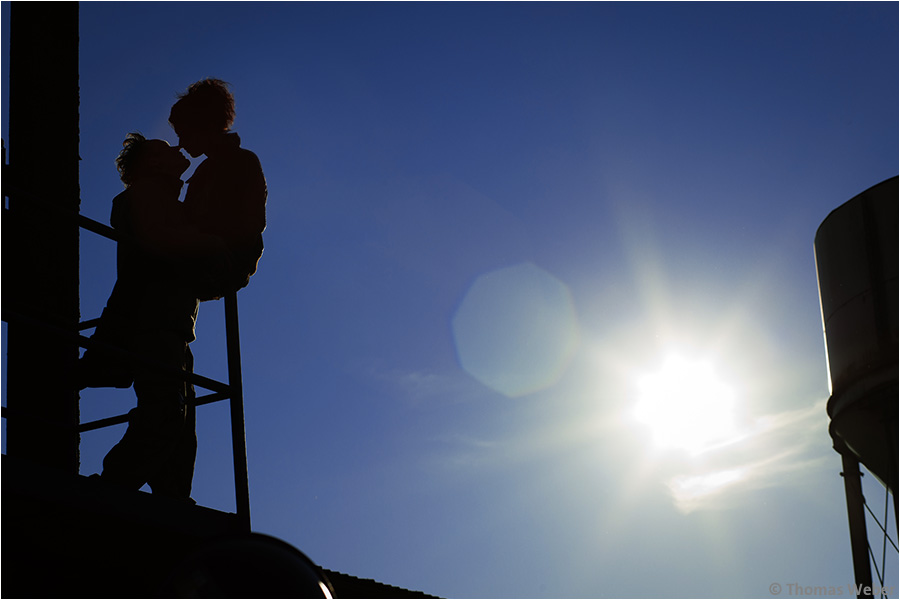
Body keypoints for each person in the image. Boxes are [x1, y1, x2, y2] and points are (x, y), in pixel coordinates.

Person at [80, 133, 205, 500]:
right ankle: (116, 484)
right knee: (167, 413)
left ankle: (172, 493)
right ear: (151, 164)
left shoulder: (159, 199)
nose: (177, 150)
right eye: (165, 150)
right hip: (157, 320)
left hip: (170, 322)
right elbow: (167, 247)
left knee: (179, 420)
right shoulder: (148, 196)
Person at [168, 78, 267, 301]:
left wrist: (204, 241)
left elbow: (251, 225)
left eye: (184, 133)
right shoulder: (204, 171)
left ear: (204, 126)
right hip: (202, 255)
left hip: (225, 260)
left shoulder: (243, 161)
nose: (181, 143)